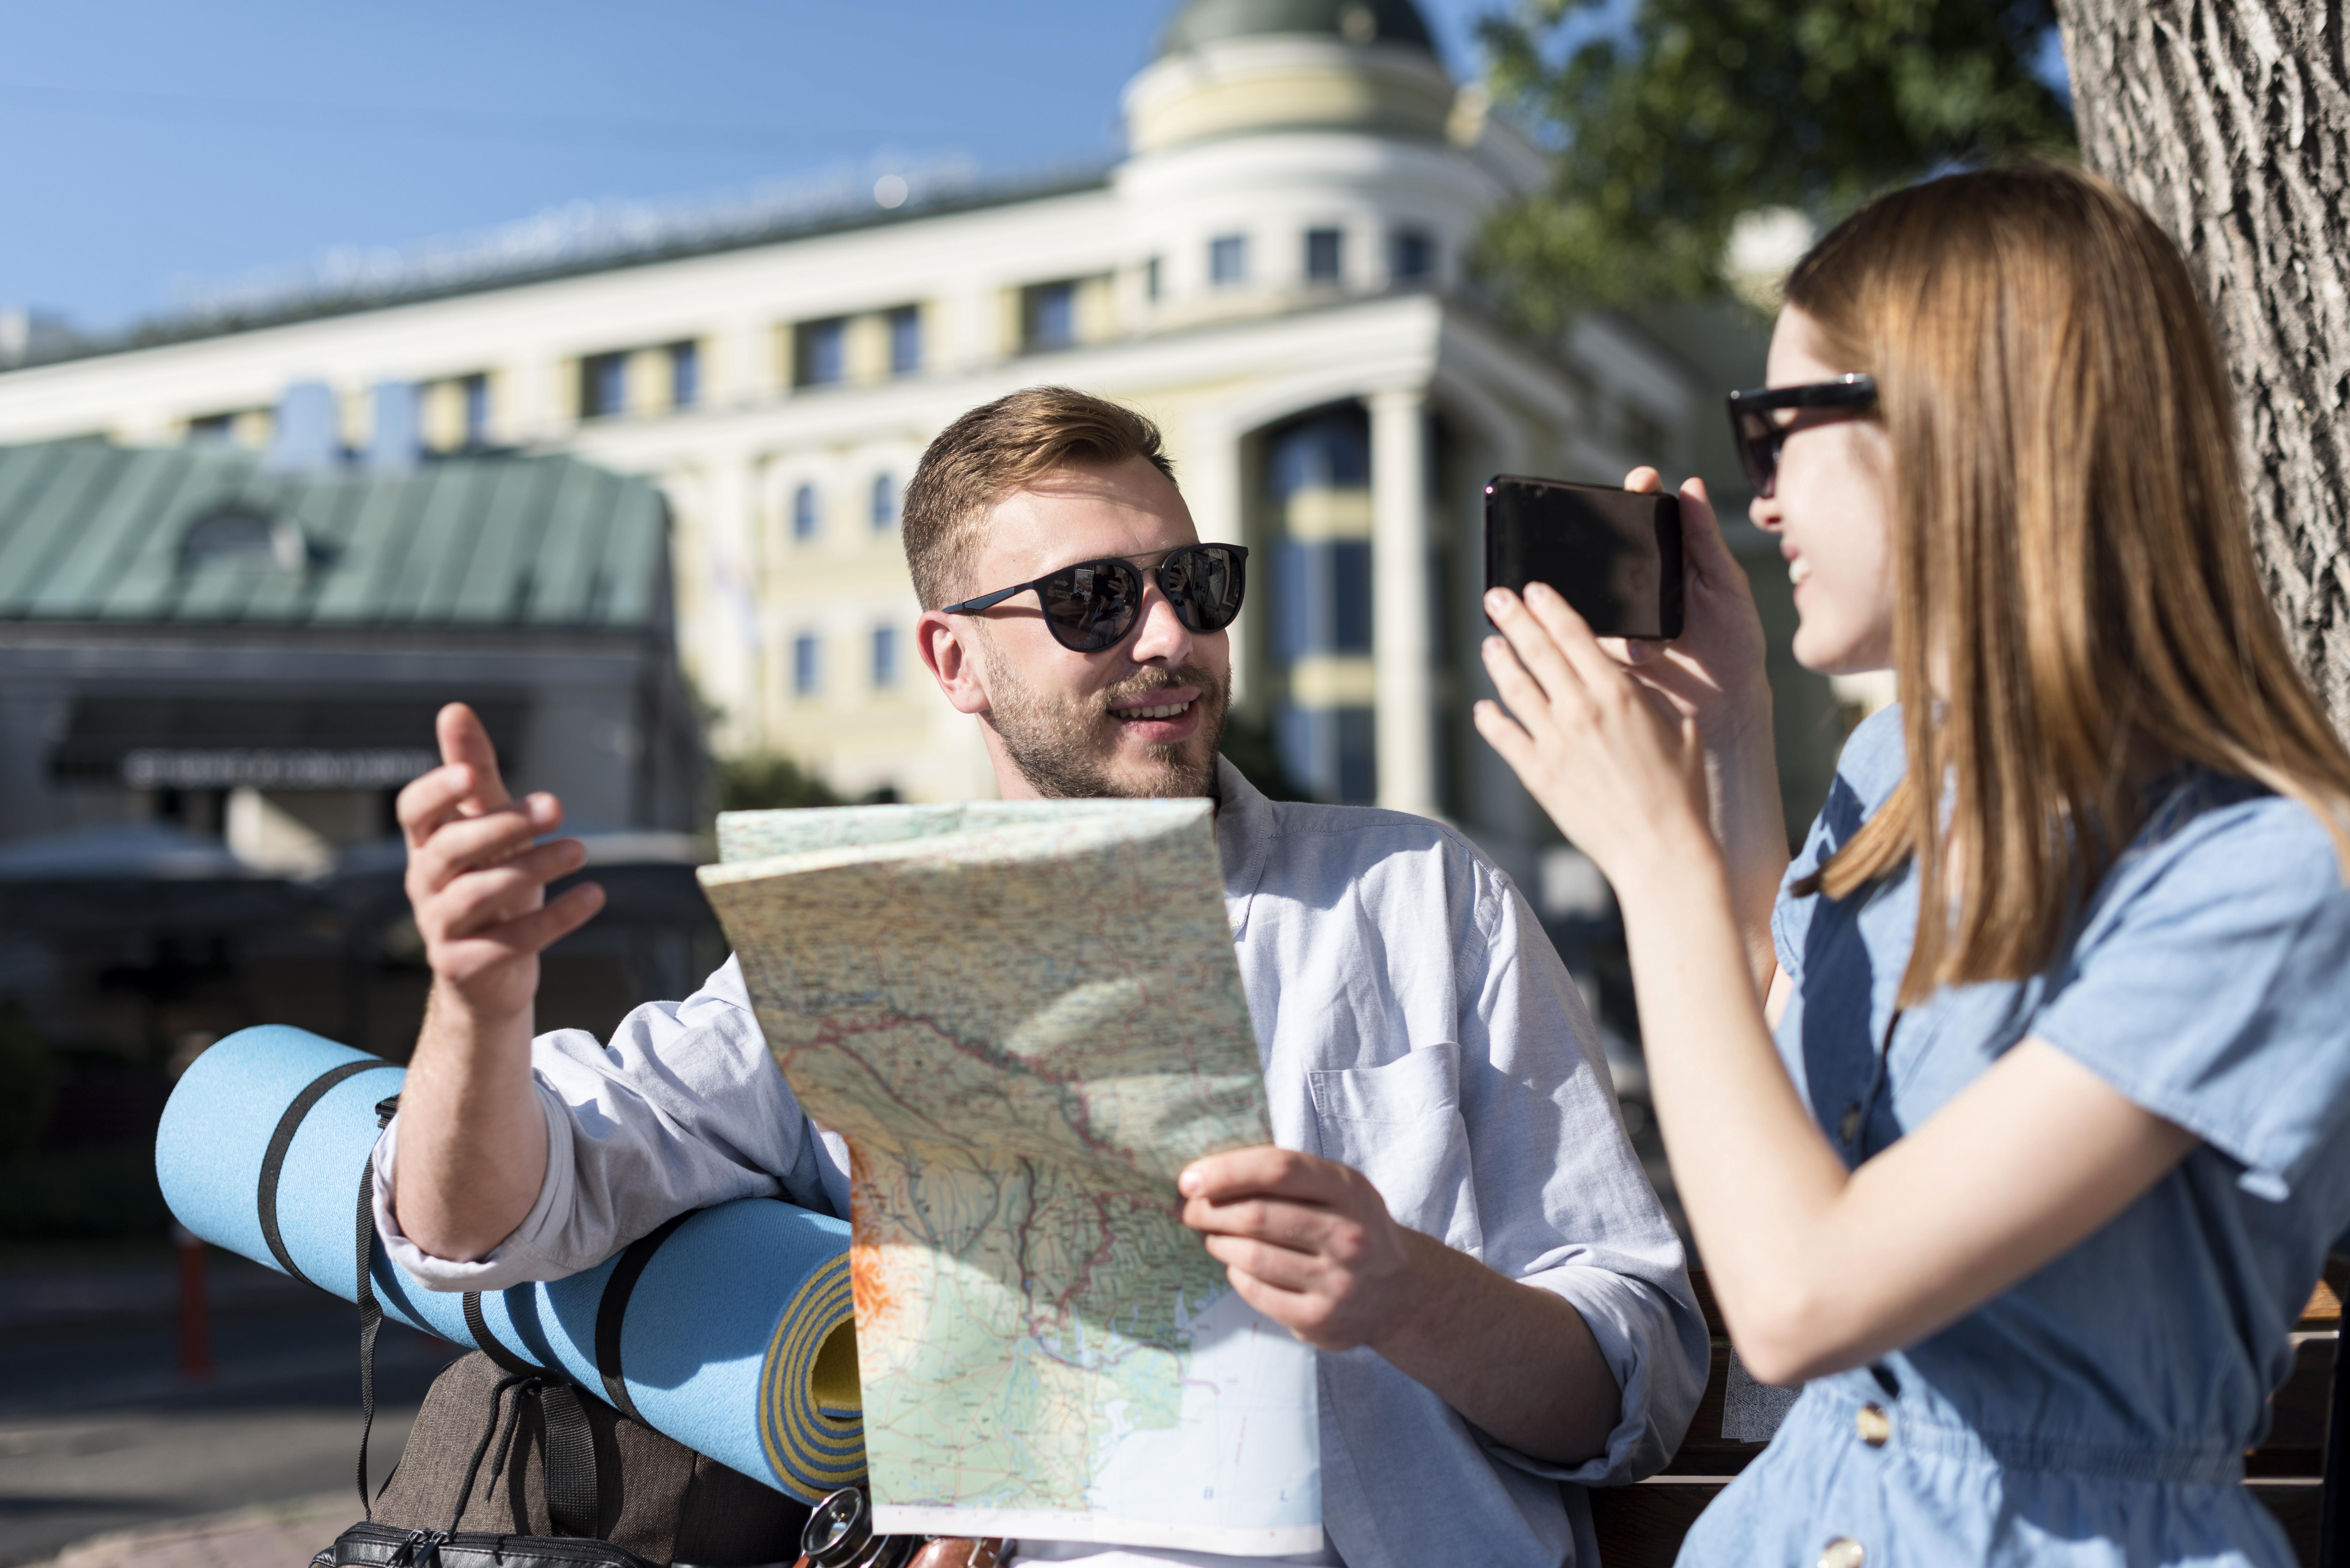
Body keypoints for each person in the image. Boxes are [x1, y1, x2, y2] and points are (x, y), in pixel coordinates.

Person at [376, 386, 1706, 1568]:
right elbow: (481, 1219)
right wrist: (477, 1009)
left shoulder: (1415, 892)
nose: (1170, 636)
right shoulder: (866, 940)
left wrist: (1407, 1289)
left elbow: (1633, 1381)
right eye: (1093, 600)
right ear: (954, 659)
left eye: (1196, 580)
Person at [1473, 160, 2350, 1566]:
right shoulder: (1896, 777)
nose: (1757, 500)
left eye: (1777, 430)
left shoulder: (2266, 875)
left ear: (1957, 431)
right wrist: (1730, 738)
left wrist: (1653, 862)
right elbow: (1788, 1072)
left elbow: (1800, 1297)